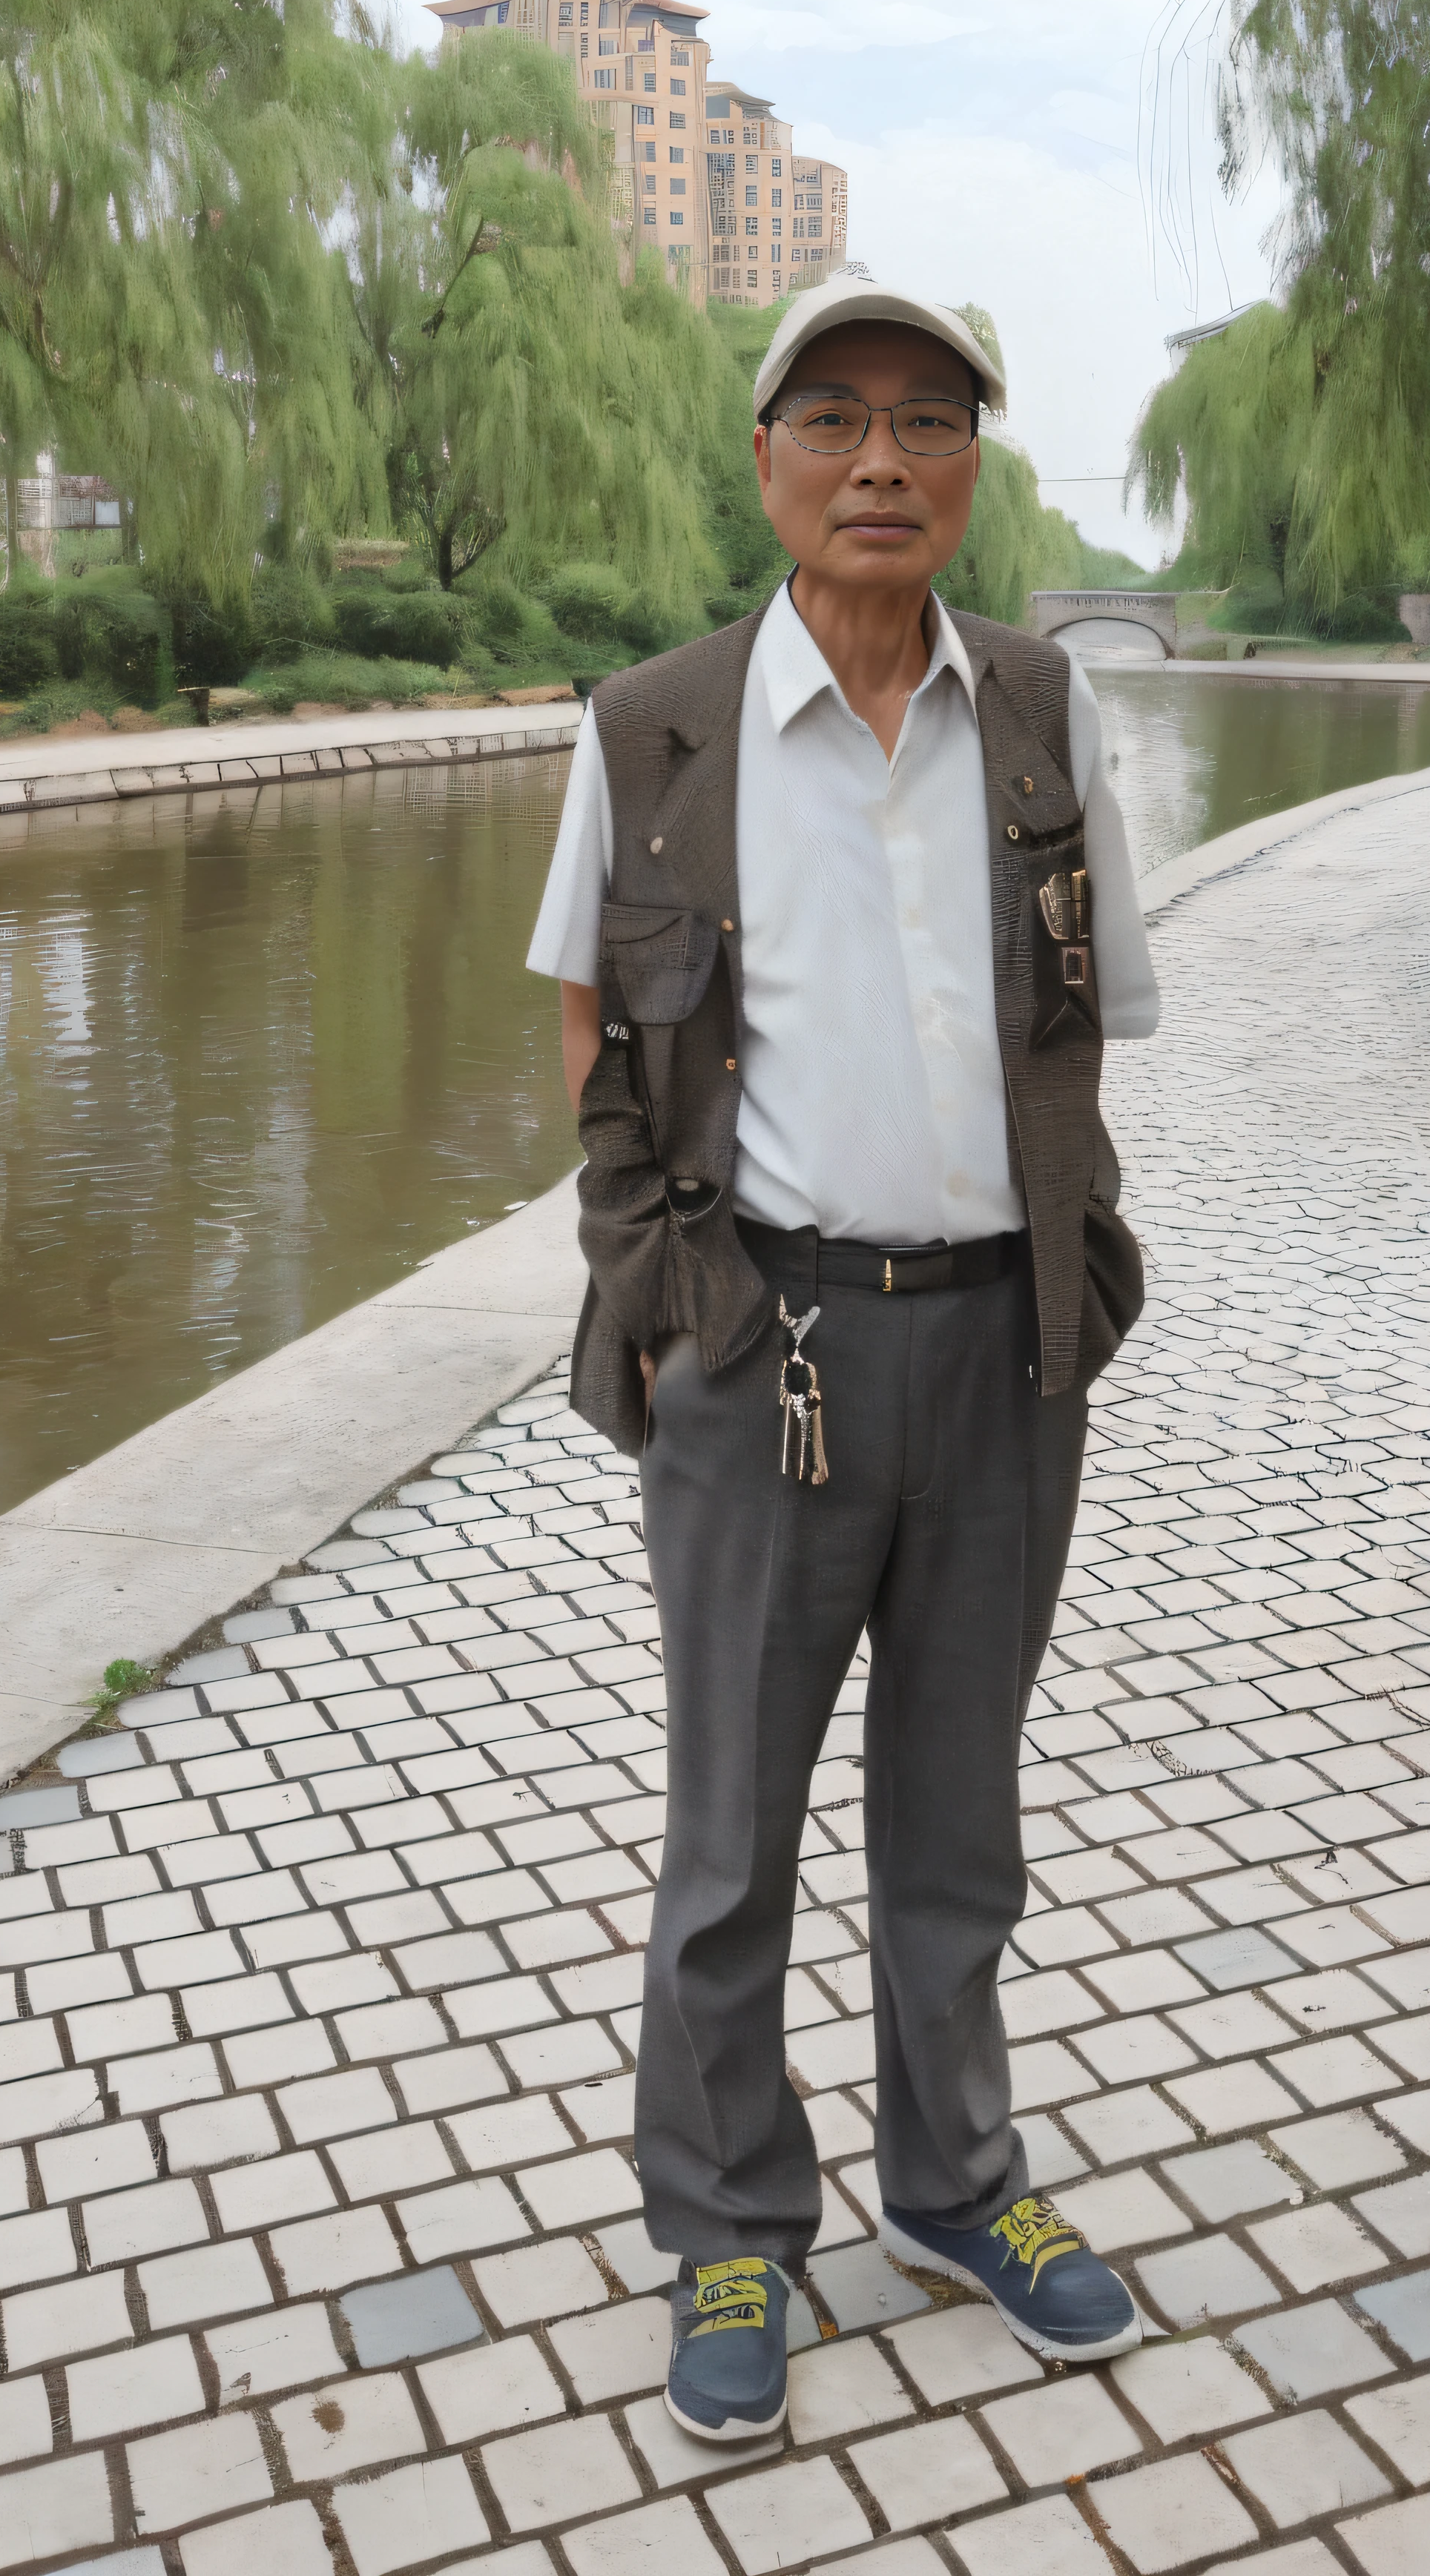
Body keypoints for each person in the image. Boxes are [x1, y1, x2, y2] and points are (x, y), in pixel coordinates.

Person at [525, 271, 1160, 2445]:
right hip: (761, 1355)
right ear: (770, 457)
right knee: (732, 1836)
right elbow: (603, 1055)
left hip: (1006, 1354)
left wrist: (1066, 1271)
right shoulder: (655, 729)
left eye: (927, 421)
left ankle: (955, 2182)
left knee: (957, 1820)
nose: (883, 459)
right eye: (836, 417)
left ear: (973, 466)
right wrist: (673, 1301)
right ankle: (724, 2217)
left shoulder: (1049, 717)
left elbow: (1089, 1030)